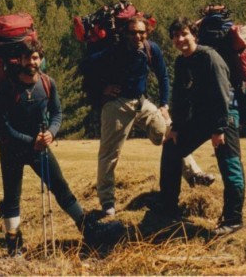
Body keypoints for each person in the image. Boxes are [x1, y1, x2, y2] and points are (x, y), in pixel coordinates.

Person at [0, 39, 120, 256]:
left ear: (41, 59)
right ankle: (13, 244)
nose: (31, 62)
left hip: (40, 147)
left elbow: (57, 114)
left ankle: (89, 231)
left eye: (35, 57)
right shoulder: (9, 87)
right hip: (12, 150)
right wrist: (30, 140)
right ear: (20, 60)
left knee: (61, 188)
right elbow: (3, 125)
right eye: (27, 57)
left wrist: (51, 133)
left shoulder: (47, 84)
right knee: (12, 196)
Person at [83, 15, 214, 217]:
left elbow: (163, 76)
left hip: (142, 102)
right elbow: (86, 67)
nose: (138, 36)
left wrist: (163, 104)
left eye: (141, 32)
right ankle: (108, 203)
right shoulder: (113, 50)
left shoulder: (151, 49)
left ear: (147, 32)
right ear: (125, 33)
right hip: (116, 106)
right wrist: (102, 89)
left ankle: (194, 174)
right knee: (109, 155)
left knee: (171, 132)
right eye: (133, 32)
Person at [157, 17, 246, 237]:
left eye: (184, 34)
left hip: (224, 117)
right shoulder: (182, 62)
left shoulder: (210, 58)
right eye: (176, 36)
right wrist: (176, 127)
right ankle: (169, 208)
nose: (180, 39)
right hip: (200, 117)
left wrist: (219, 129)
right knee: (171, 149)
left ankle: (233, 219)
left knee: (229, 165)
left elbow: (222, 95)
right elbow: (179, 96)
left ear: (194, 35)